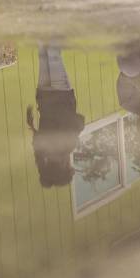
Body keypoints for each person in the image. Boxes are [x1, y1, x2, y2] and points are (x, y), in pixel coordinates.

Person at [26, 46, 85, 188]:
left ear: (64, 167)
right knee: (43, 55)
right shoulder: (41, 150)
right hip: (44, 96)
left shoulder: (67, 147)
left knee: (54, 55)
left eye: (69, 167)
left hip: (61, 95)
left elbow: (79, 120)